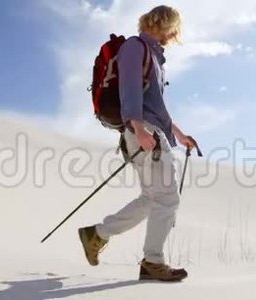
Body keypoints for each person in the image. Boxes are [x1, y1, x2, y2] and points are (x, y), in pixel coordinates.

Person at [78, 5, 196, 282]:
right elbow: (128, 89)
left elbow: (155, 105)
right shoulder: (136, 47)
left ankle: (96, 234)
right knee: (167, 198)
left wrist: (178, 134)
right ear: (165, 24)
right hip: (143, 132)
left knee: (151, 199)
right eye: (173, 28)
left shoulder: (154, 57)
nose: (174, 35)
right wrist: (139, 128)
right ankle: (153, 262)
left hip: (150, 130)